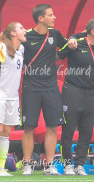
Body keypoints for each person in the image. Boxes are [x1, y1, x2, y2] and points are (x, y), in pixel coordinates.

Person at [21, 4, 77, 175]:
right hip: (30, 87)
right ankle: (27, 164)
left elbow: (63, 50)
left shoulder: (55, 34)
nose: (54, 18)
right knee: (29, 127)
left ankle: (50, 166)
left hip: (51, 87)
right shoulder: (26, 36)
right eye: (51, 15)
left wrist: (72, 42)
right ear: (40, 18)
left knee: (53, 127)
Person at [0, 22, 27, 176]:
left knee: (7, 132)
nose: (25, 30)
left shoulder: (21, 49)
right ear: (13, 33)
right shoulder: (0, 46)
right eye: (21, 28)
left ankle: (1, 167)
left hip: (13, 97)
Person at [58, 19, 94, 176]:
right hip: (73, 90)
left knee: (87, 130)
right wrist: (72, 38)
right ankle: (67, 165)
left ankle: (79, 164)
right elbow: (58, 55)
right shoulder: (76, 42)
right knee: (69, 129)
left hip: (91, 92)